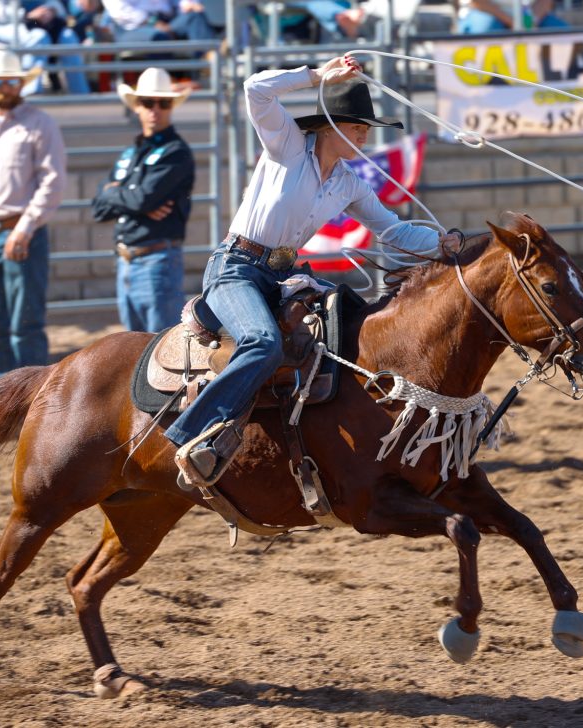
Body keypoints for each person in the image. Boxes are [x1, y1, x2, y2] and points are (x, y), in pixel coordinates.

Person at [167, 54, 464, 489]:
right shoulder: (286, 144)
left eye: (366, 128)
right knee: (263, 343)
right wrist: (315, 75)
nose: (364, 135)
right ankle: (191, 432)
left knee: (353, 324)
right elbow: (255, 88)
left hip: (281, 274)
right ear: (329, 124)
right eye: (357, 126)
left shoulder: (348, 182)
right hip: (234, 268)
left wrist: (442, 243)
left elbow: (393, 229)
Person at [0, 50, 66, 382]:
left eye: (12, 81)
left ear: (21, 84)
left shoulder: (40, 123)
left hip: (20, 233)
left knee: (25, 323)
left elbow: (53, 181)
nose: (5, 87)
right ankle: (0, 395)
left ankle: (29, 398)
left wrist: (25, 227)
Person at [91, 67, 195, 332]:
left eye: (163, 103)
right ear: (137, 106)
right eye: (148, 102)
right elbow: (99, 209)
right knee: (135, 348)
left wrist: (113, 191)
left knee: (159, 345)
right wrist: (131, 200)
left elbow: (140, 200)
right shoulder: (131, 152)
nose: (155, 109)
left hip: (156, 260)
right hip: (129, 260)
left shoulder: (176, 152)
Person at [0, 0, 91, 95]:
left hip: (34, 25)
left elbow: (54, 4)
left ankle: (81, 94)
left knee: (68, 37)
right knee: (38, 38)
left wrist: (50, 10)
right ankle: (31, 95)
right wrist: (28, 15)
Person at [457, 0, 568, 33]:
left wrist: (533, 20)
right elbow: (478, 2)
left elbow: (545, 2)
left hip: (527, 13)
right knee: (486, 31)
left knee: (563, 33)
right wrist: (513, 22)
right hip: (485, 12)